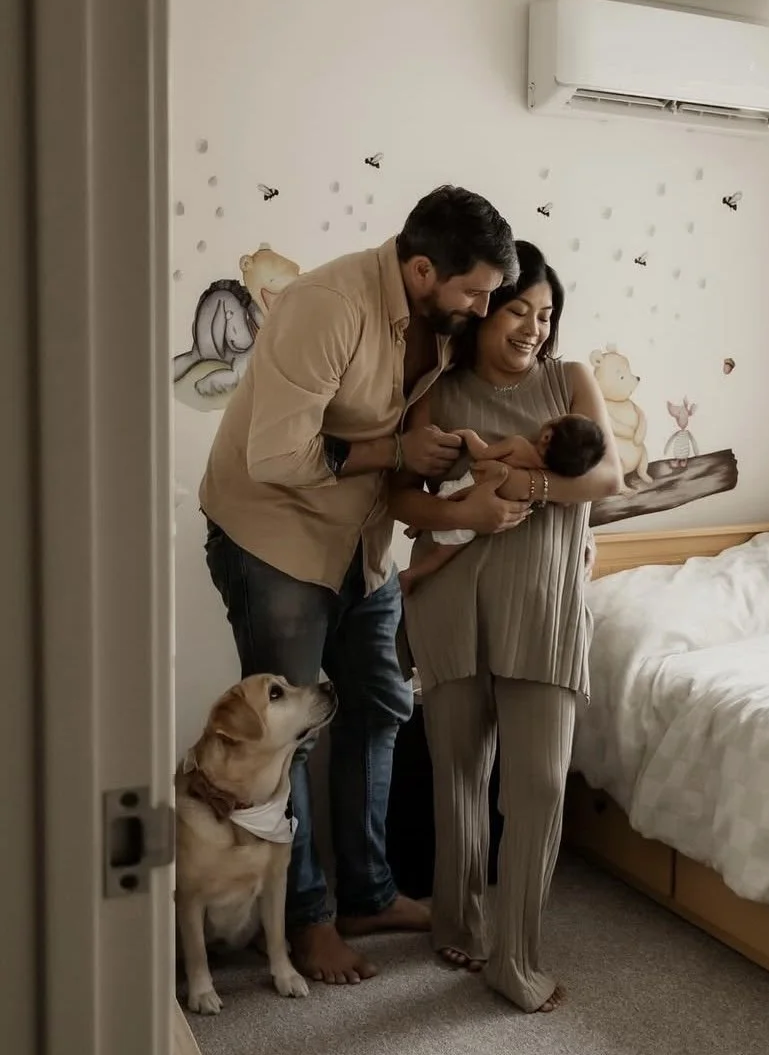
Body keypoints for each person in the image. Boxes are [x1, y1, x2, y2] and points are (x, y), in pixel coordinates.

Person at [199, 185, 533, 986]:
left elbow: (421, 431)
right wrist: (394, 455)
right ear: (421, 268)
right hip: (274, 536)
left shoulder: (444, 326)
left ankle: (369, 892)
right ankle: (307, 919)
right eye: (477, 291)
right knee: (291, 732)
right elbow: (275, 459)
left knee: (380, 704)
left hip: (362, 543)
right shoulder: (327, 306)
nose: (490, 306)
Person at [391, 241, 623, 1012]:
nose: (533, 327)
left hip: (544, 609)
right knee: (459, 776)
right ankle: (458, 919)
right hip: (451, 605)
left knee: (540, 786)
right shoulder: (440, 388)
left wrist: (524, 481)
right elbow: (403, 499)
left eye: (546, 314)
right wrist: (467, 510)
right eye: (520, 309)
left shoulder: (570, 380)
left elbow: (606, 477)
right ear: (487, 309)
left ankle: (516, 956)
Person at [397, 415, 607, 595]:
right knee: (444, 553)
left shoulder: (519, 445)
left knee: (445, 503)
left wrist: (468, 434)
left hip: (470, 486)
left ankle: (418, 525)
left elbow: (483, 454)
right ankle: (411, 575)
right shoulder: (551, 479)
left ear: (546, 436)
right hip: (481, 517)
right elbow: (567, 501)